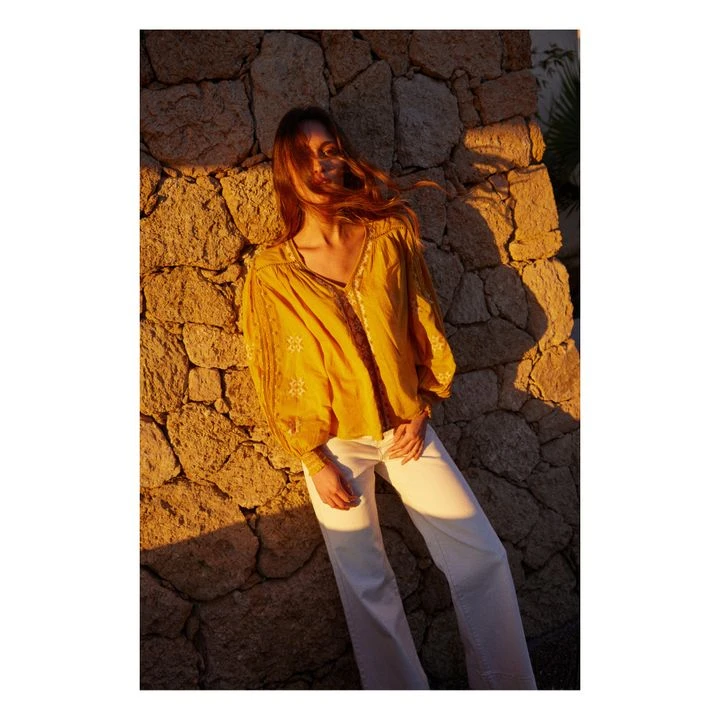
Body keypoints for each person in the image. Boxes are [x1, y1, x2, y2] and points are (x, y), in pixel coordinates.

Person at [241, 106, 536, 690]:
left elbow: (423, 322)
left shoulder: (389, 234)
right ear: (286, 171)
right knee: (368, 588)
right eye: (305, 156)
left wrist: (422, 405)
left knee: (482, 556)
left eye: (329, 150)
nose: (322, 165)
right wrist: (312, 459)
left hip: (406, 429)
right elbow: (275, 370)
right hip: (336, 447)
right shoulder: (272, 274)